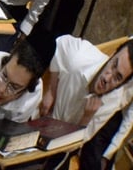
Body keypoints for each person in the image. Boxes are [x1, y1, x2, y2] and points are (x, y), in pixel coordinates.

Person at [40, 36, 133, 170]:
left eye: (117, 77)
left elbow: (74, 145)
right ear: (112, 55)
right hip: (43, 119)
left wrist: (86, 119)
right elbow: (59, 44)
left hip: (63, 145)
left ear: (122, 85)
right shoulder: (79, 56)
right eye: (113, 64)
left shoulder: (113, 101)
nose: (107, 78)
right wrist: (51, 90)